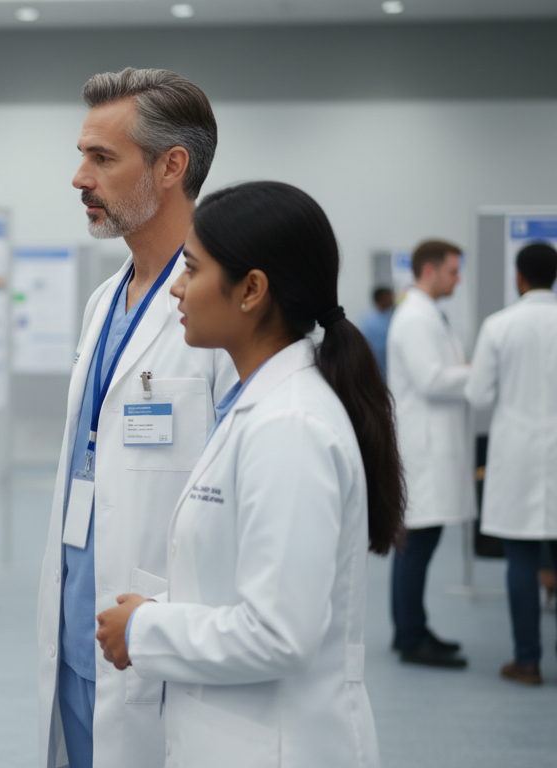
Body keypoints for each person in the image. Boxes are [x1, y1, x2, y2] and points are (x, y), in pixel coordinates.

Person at [96, 180, 402, 768]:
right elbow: (250, 579)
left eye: (192, 269)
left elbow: (279, 633)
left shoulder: (290, 425)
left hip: (279, 744)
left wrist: (146, 631)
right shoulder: (256, 402)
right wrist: (157, 607)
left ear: (252, 290)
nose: (177, 290)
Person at [34, 68, 236, 768]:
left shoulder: (225, 314)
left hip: (162, 638)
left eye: (102, 158)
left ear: (171, 167)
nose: (78, 178)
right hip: (79, 631)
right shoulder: (103, 302)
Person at [466, 242, 557, 686]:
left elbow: (479, 395)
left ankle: (527, 661)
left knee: (520, 559)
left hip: (518, 454)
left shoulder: (499, 326)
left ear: (519, 277)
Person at [386, 239, 473, 668]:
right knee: (417, 543)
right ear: (430, 271)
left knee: (418, 542)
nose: (458, 279)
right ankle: (411, 635)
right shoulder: (416, 318)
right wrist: (478, 372)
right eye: (453, 271)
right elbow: (432, 380)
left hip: (431, 444)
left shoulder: (426, 315)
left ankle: (411, 629)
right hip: (424, 447)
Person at [357, 286, 395, 377]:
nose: (392, 300)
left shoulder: (388, 317)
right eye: (390, 297)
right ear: (382, 299)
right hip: (377, 365)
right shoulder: (370, 321)